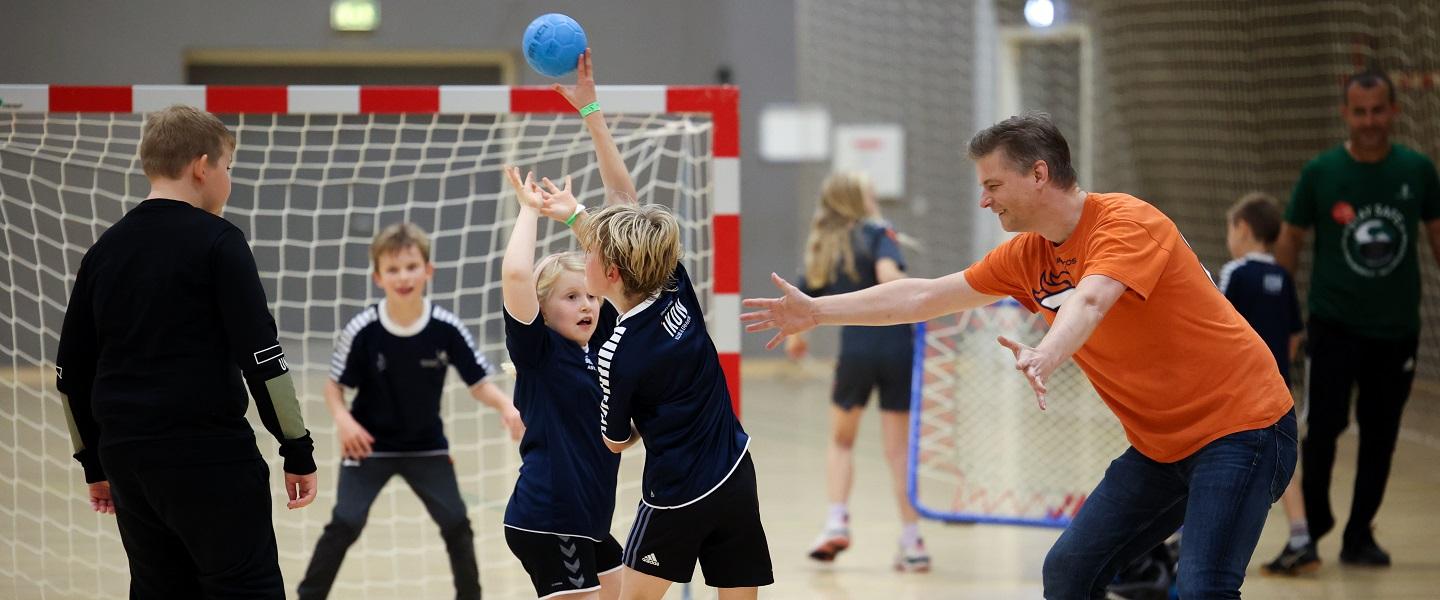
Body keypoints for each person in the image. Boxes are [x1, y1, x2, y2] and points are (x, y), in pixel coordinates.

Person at [743, 113, 1296, 599]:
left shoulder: (1127, 222)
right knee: (1068, 572)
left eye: (992, 184)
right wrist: (817, 311)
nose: (984, 200)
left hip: (1242, 428)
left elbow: (1094, 296)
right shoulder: (1025, 256)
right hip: (1161, 447)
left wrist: (1047, 352)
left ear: (1038, 173)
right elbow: (923, 295)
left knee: (1203, 587)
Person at [523, 49, 773, 599]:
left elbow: (616, 442)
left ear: (608, 274)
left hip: (678, 495)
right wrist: (590, 110)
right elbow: (624, 202)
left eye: (589, 254)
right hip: (736, 467)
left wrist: (630, 421)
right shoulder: (671, 282)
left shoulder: (618, 349)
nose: (582, 252)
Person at [55, 104, 318, 598]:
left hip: (128, 461)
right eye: (228, 167)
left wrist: (93, 464)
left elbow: (70, 375)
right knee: (246, 587)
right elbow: (264, 360)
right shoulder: (221, 242)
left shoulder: (103, 252)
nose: (228, 180)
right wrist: (297, 449)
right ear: (202, 165)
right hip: (208, 458)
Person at [296, 222, 522, 600]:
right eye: (393, 269)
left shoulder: (445, 328)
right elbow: (333, 387)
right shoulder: (363, 328)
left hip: (426, 446)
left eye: (412, 266)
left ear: (428, 271)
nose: (404, 276)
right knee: (345, 522)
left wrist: (507, 406)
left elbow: (479, 380)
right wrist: (344, 421)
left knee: (456, 524)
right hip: (368, 446)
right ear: (378, 277)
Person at [1274, 67, 1440, 567]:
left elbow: (1436, 236)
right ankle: (1316, 526)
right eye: (1360, 112)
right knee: (1323, 427)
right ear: (1346, 114)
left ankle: (1359, 534)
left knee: (1380, 433)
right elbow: (1290, 239)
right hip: (1333, 325)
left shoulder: (1416, 171)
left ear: (1393, 111)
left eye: (1378, 111)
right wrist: (1281, 314)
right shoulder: (1321, 173)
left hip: (1395, 331)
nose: (1369, 121)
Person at [495, 50, 631, 600]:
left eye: (589, 296)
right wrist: (530, 210)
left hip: (590, 522)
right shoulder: (540, 351)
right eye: (570, 297)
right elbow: (516, 275)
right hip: (549, 521)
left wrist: (577, 218)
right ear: (544, 311)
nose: (586, 305)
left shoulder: (598, 341)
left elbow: (621, 226)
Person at [784, 172, 927, 571]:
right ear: (860, 199)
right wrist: (916, 286)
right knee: (898, 451)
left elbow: (801, 302)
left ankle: (834, 524)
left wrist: (797, 341)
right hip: (899, 349)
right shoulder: (881, 232)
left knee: (842, 442)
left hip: (856, 353)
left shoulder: (824, 244)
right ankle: (913, 542)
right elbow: (889, 278)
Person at [1217, 193, 1313, 575]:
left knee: (1213, 455)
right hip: (1278, 387)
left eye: (1230, 228)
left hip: (1239, 387)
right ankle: (1302, 538)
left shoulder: (1235, 274)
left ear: (1242, 229)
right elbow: (1293, 338)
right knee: (1285, 461)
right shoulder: (1282, 277)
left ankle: (1187, 537)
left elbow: (1217, 325)